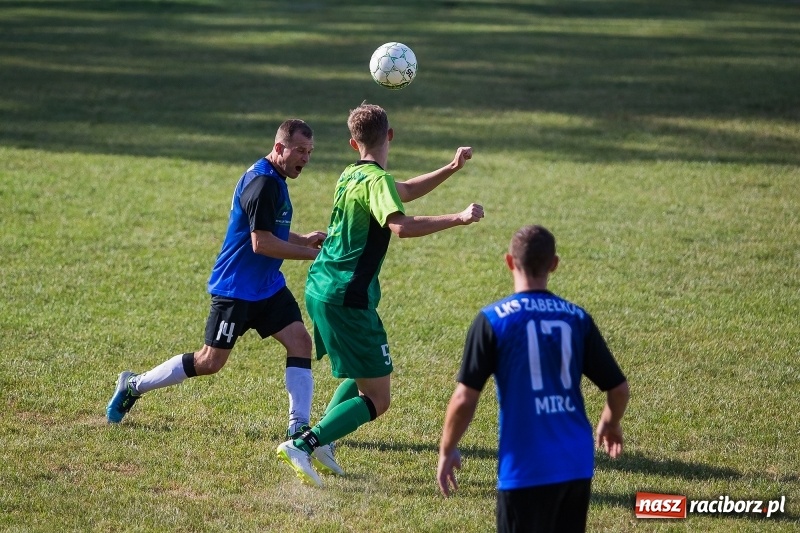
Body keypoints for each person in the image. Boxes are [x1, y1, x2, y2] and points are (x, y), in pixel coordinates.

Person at [105, 119, 340, 472]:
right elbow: (260, 243)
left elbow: (269, 230)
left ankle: (297, 427)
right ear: (279, 148)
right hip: (235, 291)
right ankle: (134, 385)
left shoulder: (274, 178)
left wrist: (302, 239)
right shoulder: (263, 183)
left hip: (266, 287)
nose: (305, 159)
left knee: (300, 342)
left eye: (309, 152)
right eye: (299, 151)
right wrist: (313, 255)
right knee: (209, 362)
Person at [275, 102, 485, 487]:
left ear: (354, 144)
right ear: (389, 136)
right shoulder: (377, 182)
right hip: (346, 294)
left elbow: (401, 190)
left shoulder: (352, 174)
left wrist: (451, 169)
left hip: (322, 285)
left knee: (362, 375)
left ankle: (322, 443)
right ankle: (304, 444)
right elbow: (399, 226)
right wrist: (457, 218)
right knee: (379, 397)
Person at [436, 225, 630, 533]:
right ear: (554, 264)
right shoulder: (576, 318)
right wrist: (610, 421)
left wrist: (448, 449)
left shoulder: (493, 320)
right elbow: (618, 389)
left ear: (509, 262)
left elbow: (463, 398)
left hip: (525, 467)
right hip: (575, 464)